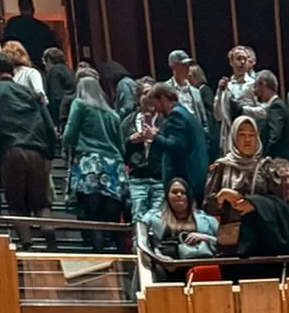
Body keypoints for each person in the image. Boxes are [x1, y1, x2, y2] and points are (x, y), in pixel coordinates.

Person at [0, 54, 57, 238]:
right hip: (37, 151)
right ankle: (50, 239)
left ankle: (27, 246)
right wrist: (50, 155)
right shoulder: (30, 93)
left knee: (16, 205)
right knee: (41, 204)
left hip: (11, 152)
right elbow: (49, 126)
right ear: (13, 71)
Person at [63, 74, 128, 248]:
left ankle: (99, 254)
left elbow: (69, 134)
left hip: (90, 164)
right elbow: (121, 145)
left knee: (93, 217)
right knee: (114, 218)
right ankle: (122, 256)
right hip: (114, 165)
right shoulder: (113, 115)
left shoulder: (80, 105)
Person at [203, 113, 264, 254]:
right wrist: (221, 197)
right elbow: (207, 206)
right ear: (234, 138)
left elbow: (276, 204)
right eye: (242, 135)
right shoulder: (221, 167)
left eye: (252, 135)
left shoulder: (266, 167)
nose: (247, 140)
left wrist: (254, 204)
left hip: (260, 238)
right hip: (231, 241)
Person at [148, 82, 208, 201]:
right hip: (196, 178)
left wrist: (155, 136)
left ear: (163, 98)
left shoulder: (176, 115)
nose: (155, 109)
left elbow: (177, 146)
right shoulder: (185, 113)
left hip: (184, 180)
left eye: (155, 104)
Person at [146, 177, 217, 276]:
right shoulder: (152, 217)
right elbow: (140, 243)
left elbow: (223, 244)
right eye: (174, 192)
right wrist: (157, 256)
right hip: (166, 269)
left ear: (188, 196)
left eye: (183, 192)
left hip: (201, 268)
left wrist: (204, 237)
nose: (179, 195)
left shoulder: (206, 218)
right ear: (167, 196)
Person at [124, 80, 165, 223]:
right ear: (138, 97)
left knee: (158, 219)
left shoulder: (165, 120)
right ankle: (140, 244)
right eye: (145, 93)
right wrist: (130, 141)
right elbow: (120, 150)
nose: (149, 97)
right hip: (137, 177)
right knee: (138, 216)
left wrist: (157, 137)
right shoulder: (128, 121)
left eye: (152, 94)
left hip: (159, 176)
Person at [253, 69, 289, 173]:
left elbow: (275, 136)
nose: (254, 91)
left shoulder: (276, 107)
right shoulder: (277, 105)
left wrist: (265, 158)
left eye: (256, 86)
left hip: (282, 168)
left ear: (263, 84)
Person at [215, 45, 258, 154]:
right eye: (239, 59)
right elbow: (218, 116)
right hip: (231, 138)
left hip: (249, 135)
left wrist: (243, 109)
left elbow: (262, 112)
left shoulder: (254, 84)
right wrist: (220, 92)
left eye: (245, 59)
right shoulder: (226, 86)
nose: (243, 62)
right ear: (231, 62)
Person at [2, 0, 54, 69]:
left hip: (19, 65)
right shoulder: (43, 27)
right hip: (37, 64)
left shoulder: (13, 24)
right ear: (33, 8)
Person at [165, 49, 209, 133]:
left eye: (188, 64)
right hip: (177, 134)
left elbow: (203, 119)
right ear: (173, 66)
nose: (188, 68)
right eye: (183, 65)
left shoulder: (195, 91)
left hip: (195, 134)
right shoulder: (165, 89)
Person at [42, 48, 76, 128]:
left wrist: (55, 122)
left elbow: (55, 96)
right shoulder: (70, 70)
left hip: (61, 113)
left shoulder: (54, 71)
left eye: (44, 62)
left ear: (49, 60)